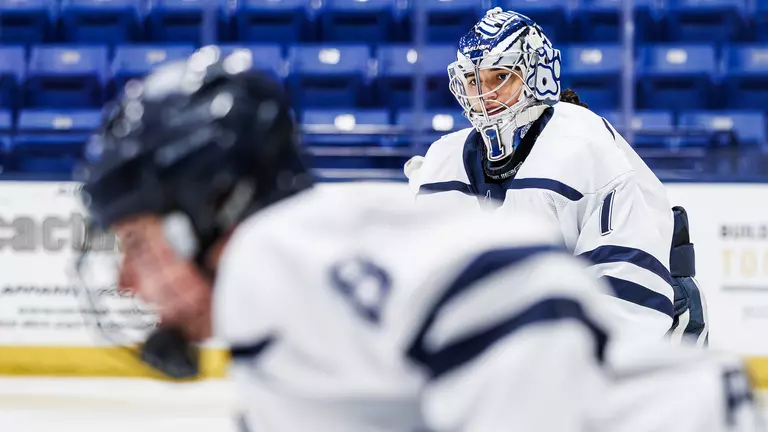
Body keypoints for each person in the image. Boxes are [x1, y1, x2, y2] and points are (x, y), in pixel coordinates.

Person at [76, 48, 759, 432]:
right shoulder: (280, 301)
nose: (127, 285)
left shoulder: (278, 256)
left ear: (208, 206)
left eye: (136, 243)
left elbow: (525, 296)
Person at [405, 8, 707, 345]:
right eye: (474, 80)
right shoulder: (443, 160)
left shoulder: (583, 146)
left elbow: (630, 301)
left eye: (500, 77)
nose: (483, 95)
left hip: (660, 317)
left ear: (538, 76)